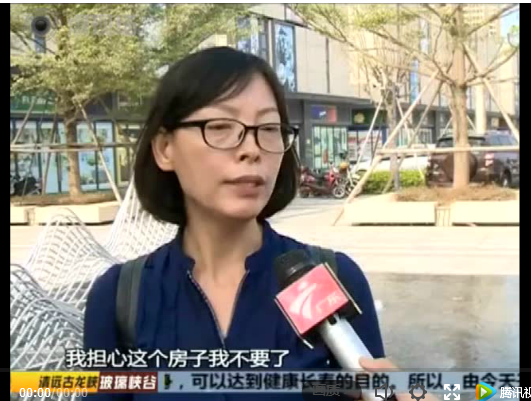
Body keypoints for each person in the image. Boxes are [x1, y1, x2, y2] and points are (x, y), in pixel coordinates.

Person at [84, 47, 430, 401]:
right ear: (164, 148)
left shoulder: (333, 279)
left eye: (268, 129)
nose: (252, 149)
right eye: (220, 127)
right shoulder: (120, 298)